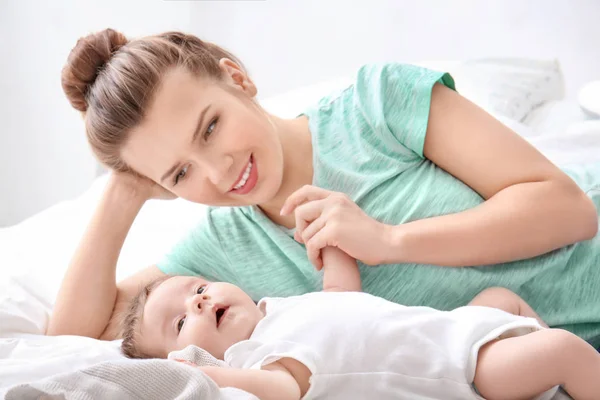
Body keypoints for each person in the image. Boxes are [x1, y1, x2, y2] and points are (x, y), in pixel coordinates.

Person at [48, 29, 600, 351]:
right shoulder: (222, 247)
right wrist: (124, 192)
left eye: (210, 127)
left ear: (237, 79)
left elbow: (567, 209)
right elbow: (75, 335)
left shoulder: (376, 105)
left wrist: (388, 240)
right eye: (180, 174)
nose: (217, 174)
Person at [119, 246, 597, 400]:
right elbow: (283, 389)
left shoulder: (280, 310)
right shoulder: (256, 358)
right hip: (460, 369)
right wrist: (200, 373)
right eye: (181, 321)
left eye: (199, 289)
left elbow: (340, 296)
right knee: (560, 349)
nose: (200, 304)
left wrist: (333, 248)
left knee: (500, 299)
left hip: (454, 328)